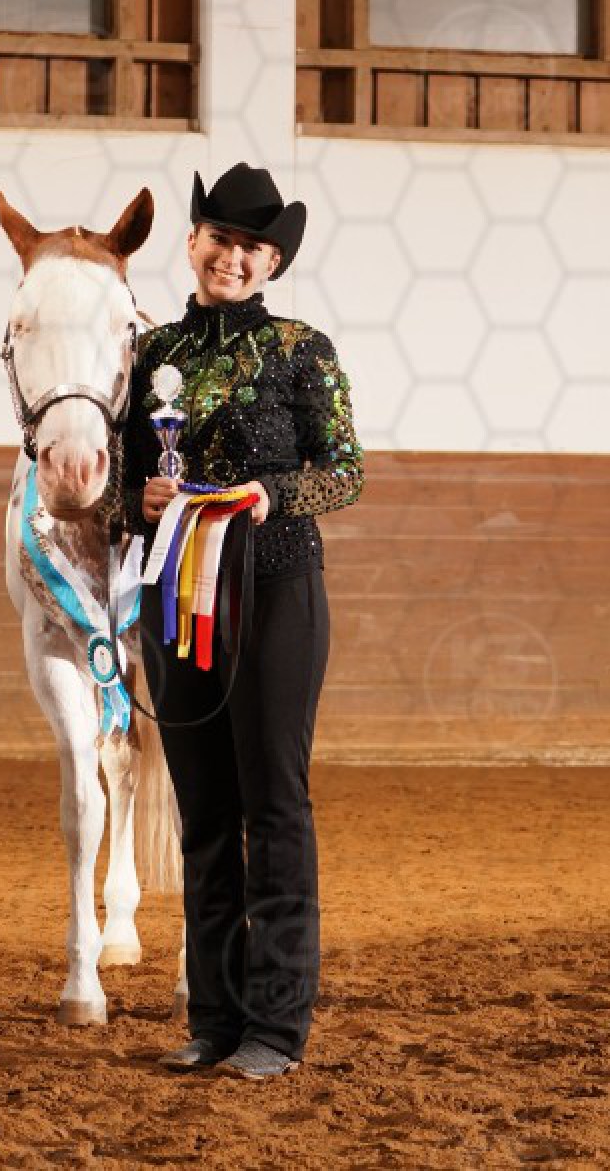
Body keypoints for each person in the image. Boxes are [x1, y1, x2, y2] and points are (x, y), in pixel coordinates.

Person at [119, 163, 363, 1080]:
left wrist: (272, 493)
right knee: (205, 812)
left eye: (253, 246)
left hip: (276, 590)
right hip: (176, 596)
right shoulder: (151, 356)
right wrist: (137, 500)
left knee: (276, 803)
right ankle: (214, 1019)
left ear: (274, 263)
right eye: (220, 237)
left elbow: (345, 470)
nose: (234, 256)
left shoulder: (303, 350)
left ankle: (276, 1026)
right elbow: (119, 481)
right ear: (192, 243)